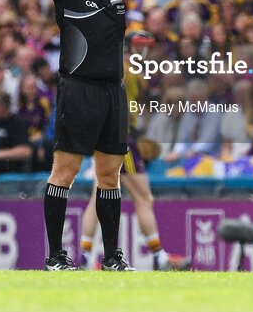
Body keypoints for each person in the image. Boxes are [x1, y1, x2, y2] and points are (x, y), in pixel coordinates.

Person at [40, 0, 178, 272]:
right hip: (77, 89)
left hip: (113, 92)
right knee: (64, 172)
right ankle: (55, 256)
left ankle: (114, 256)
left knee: (110, 176)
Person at [79, 30, 192, 271]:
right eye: (145, 47)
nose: (148, 52)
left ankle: (85, 257)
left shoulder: (108, 67)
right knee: (144, 198)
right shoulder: (134, 73)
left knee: (96, 197)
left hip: (103, 136)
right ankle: (159, 257)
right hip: (122, 139)